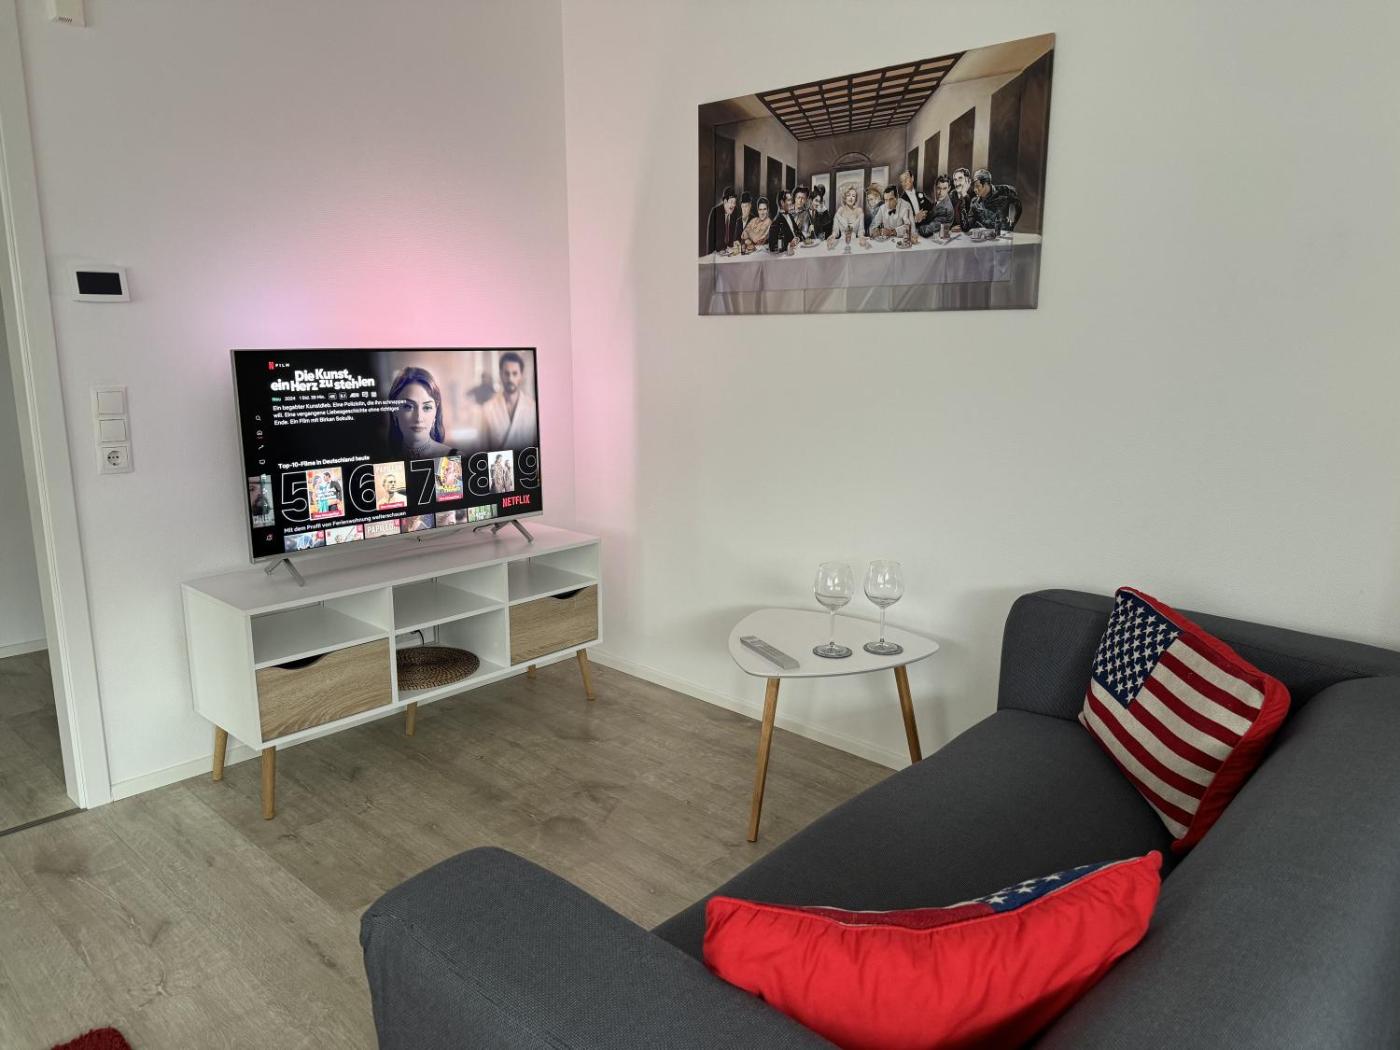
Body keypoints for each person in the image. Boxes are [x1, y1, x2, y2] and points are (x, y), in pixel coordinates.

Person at [388, 366, 458, 459]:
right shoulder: (382, 458)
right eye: (408, 406)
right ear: (394, 411)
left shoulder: (453, 458)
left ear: (436, 412)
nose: (419, 418)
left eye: (427, 407)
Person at [482, 351, 538, 449]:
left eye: (515, 373)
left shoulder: (533, 408)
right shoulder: (487, 409)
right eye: (506, 373)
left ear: (521, 375)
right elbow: (482, 448)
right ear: (500, 375)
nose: (510, 379)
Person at [828, 184, 870, 248]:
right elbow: (835, 231)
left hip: (855, 243)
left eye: (853, 196)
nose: (851, 198)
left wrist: (862, 237)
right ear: (845, 198)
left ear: (855, 199)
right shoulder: (840, 211)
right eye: (848, 195)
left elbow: (861, 230)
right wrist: (833, 236)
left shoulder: (859, 211)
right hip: (841, 243)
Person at [705, 186, 743, 254]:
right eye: (731, 202)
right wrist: (712, 253)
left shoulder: (735, 211)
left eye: (734, 202)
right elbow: (710, 238)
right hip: (717, 252)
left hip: (729, 251)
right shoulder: (715, 212)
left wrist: (735, 242)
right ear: (725, 201)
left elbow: (734, 232)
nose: (733, 205)